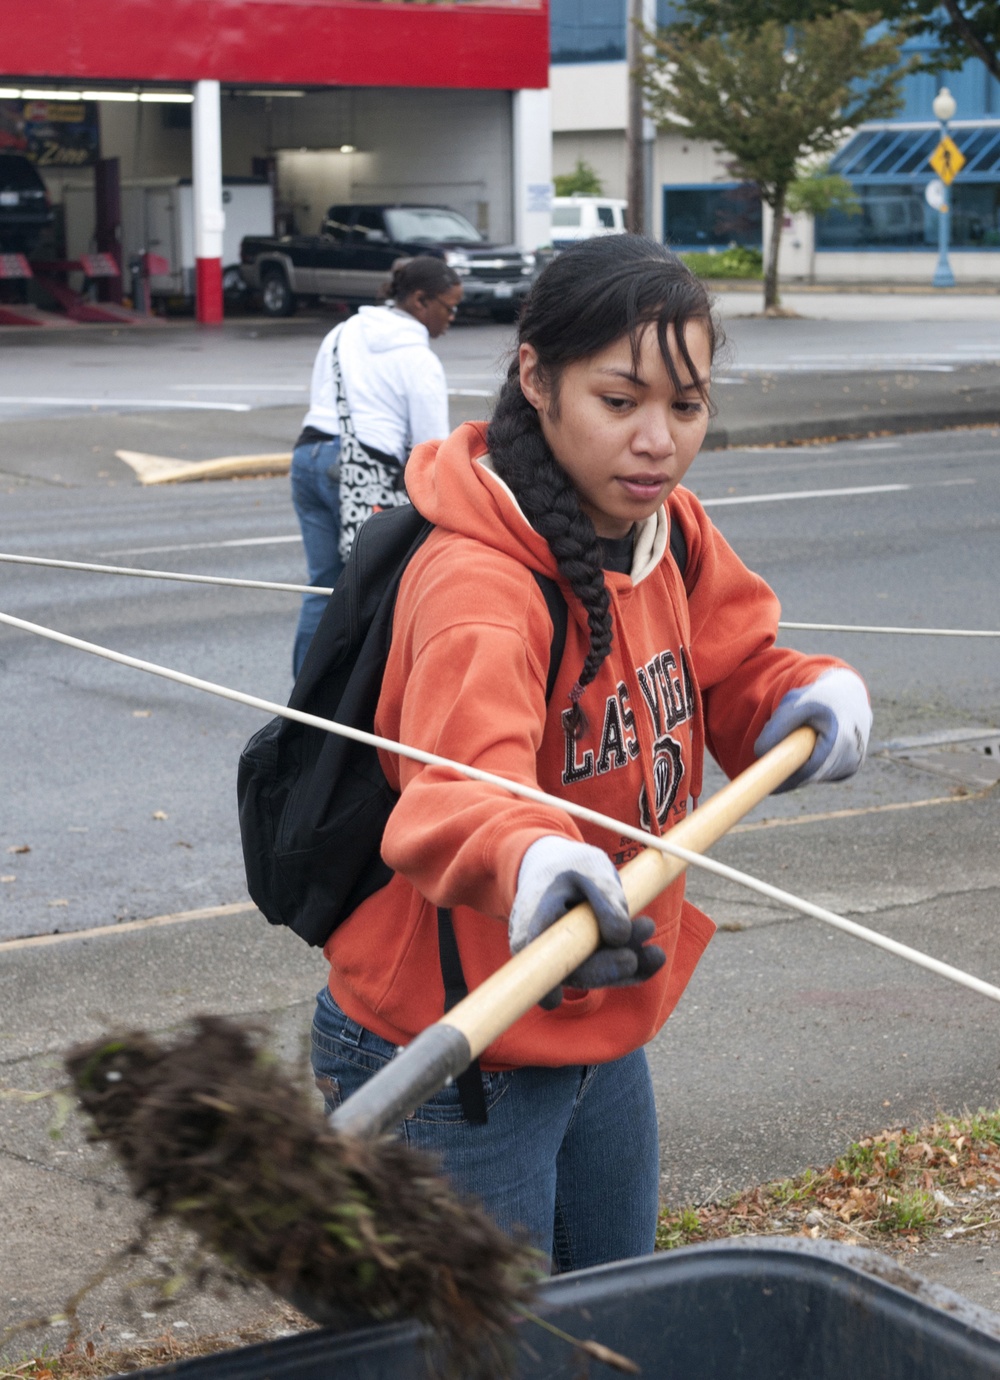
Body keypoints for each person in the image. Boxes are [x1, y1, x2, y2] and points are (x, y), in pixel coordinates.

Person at [310, 236, 872, 1273]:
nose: (657, 442)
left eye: (687, 407)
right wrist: (531, 858)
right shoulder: (477, 582)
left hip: (594, 1013)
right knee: (491, 1353)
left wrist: (800, 695)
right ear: (537, 377)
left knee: (612, 1316)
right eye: (620, 402)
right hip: (451, 1043)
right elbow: (456, 790)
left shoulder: (671, 530)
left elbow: (733, 669)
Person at [289, 255, 463, 674]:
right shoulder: (419, 360)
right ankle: (348, 702)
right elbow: (429, 448)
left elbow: (321, 397)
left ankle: (301, 700)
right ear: (421, 301)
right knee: (373, 592)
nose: (452, 318)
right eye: (450, 307)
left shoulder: (342, 331)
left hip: (308, 459)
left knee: (323, 586)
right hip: (363, 475)